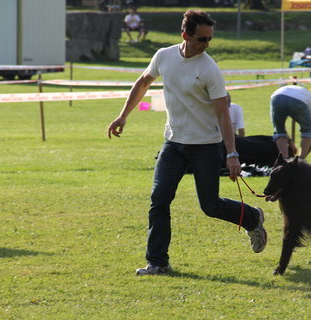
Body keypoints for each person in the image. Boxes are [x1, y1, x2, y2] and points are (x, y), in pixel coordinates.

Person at [107, 9, 267, 276]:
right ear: (185, 35)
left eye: (209, 40)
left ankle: (252, 217)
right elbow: (143, 82)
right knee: (159, 200)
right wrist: (123, 115)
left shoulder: (209, 69)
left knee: (210, 205)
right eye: (201, 39)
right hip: (173, 143)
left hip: (205, 145)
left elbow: (223, 113)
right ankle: (157, 262)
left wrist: (232, 154)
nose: (206, 45)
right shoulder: (164, 56)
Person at [270, 84, 311, 160]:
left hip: (276, 96)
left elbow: (280, 130)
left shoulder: (308, 97)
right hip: (299, 99)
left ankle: (284, 161)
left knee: (279, 131)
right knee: (308, 131)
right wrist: (304, 154)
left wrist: (290, 143)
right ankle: (300, 161)